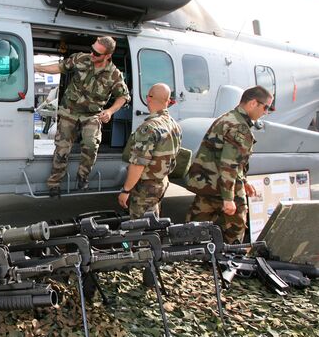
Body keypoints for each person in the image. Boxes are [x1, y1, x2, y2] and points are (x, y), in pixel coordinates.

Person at [34, 36, 131, 197]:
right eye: (92, 49)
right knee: (62, 148)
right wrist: (35, 67)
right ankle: (54, 183)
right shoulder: (81, 59)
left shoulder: (114, 74)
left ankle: (83, 176)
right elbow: (59, 67)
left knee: (91, 145)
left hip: (92, 115)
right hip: (69, 112)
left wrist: (110, 111)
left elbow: (123, 96)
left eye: (96, 53)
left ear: (107, 56)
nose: (92, 54)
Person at [185, 85, 273, 244]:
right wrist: (228, 199)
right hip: (223, 189)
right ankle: (230, 265)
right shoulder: (239, 127)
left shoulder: (227, 118)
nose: (266, 112)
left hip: (207, 186)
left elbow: (222, 156)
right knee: (235, 234)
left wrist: (244, 181)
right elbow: (229, 164)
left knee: (193, 231)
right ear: (253, 103)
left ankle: (191, 261)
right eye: (266, 107)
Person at [117, 83, 181, 218]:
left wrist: (126, 190)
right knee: (153, 222)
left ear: (148, 99)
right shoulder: (174, 125)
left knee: (140, 230)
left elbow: (138, 164)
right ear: (167, 101)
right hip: (161, 183)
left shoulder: (149, 128)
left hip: (145, 189)